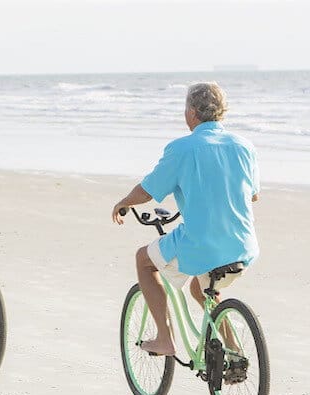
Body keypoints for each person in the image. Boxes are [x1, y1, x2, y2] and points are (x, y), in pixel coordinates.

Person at [111, 82, 260, 356]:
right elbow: (252, 195)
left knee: (144, 261)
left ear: (192, 112)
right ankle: (233, 350)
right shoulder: (244, 146)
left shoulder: (182, 149)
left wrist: (124, 203)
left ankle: (165, 339)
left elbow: (148, 190)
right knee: (200, 288)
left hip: (203, 244)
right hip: (243, 245)